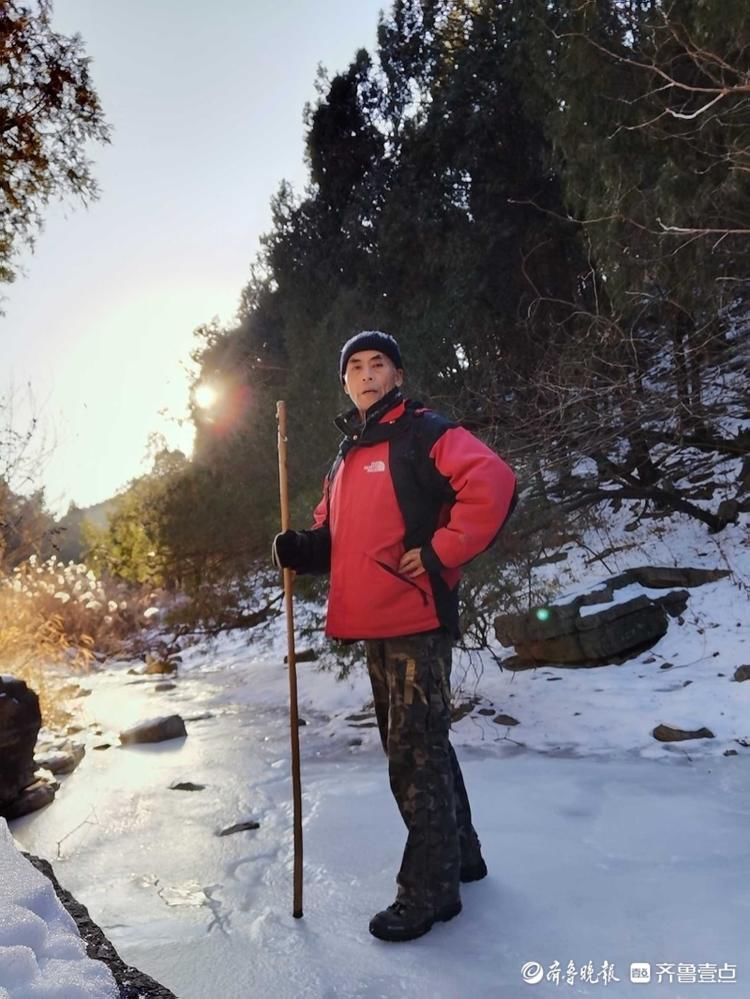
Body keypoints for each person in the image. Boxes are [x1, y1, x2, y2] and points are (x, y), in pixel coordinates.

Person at [272, 330, 517, 942]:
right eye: (354, 367)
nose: (366, 374)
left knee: (414, 753)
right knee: (422, 743)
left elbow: (493, 482)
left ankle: (431, 892)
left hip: (414, 617)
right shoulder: (347, 456)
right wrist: (302, 549)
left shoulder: (424, 431)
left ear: (399, 375)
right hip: (375, 619)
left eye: (378, 363)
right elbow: (335, 536)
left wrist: (441, 549)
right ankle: (461, 856)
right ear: (345, 383)